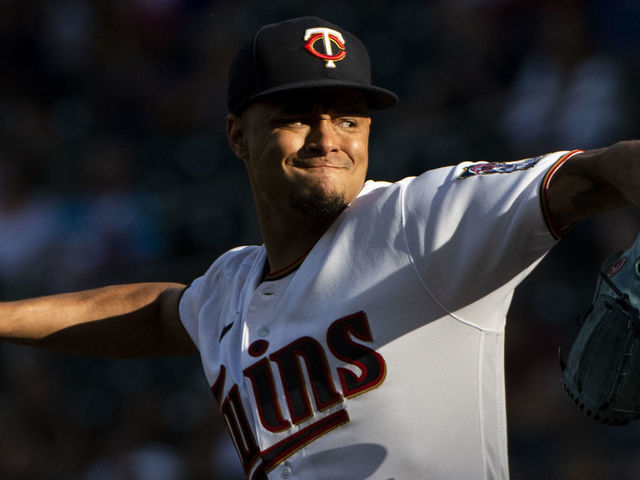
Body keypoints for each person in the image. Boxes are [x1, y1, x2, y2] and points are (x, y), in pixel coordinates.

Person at [0, 16, 638, 480]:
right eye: (295, 116)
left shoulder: (419, 220)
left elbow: (603, 171)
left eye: (349, 118)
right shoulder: (229, 288)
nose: (327, 138)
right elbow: (159, 312)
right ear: (237, 135)